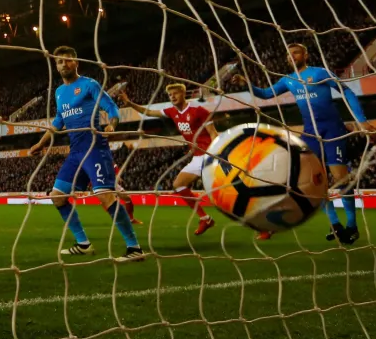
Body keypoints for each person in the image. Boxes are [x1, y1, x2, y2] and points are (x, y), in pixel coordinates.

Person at [233, 43, 376, 244]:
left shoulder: (319, 73)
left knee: (341, 180)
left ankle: (352, 225)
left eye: (296, 52)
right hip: (310, 133)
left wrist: (361, 120)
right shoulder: (289, 80)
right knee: (316, 182)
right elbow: (266, 94)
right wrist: (246, 83)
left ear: (305, 55)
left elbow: (348, 92)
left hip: (332, 130)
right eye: (288, 54)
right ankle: (335, 225)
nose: (292, 56)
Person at [28, 46, 144, 262]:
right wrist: (41, 143)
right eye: (60, 62)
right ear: (56, 66)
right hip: (75, 152)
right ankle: (83, 243)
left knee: (105, 196)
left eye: (68, 61)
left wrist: (112, 125)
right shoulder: (59, 92)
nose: (64, 65)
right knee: (58, 197)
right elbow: (58, 123)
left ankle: (134, 248)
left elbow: (111, 108)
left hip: (94, 148)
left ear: (76, 63)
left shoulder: (89, 84)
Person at [119, 83, 231, 237]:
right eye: (170, 95)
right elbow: (149, 112)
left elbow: (213, 133)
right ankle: (205, 219)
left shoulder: (199, 111)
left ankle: (264, 224)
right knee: (178, 185)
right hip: (197, 157)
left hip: (210, 155)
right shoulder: (172, 112)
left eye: (175, 93)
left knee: (234, 189)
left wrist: (216, 153)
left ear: (183, 94)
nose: (172, 96)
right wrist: (130, 103)